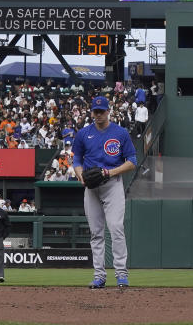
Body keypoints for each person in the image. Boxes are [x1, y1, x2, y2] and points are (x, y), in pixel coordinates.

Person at [72, 95, 137, 289]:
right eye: (95, 111)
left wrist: (110, 172)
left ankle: (121, 274)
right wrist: (80, 175)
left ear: (108, 111)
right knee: (96, 233)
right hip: (91, 187)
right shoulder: (84, 133)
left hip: (112, 183)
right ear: (91, 112)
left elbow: (132, 161)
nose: (98, 114)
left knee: (116, 228)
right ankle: (99, 275)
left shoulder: (120, 133)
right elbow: (76, 160)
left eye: (102, 111)